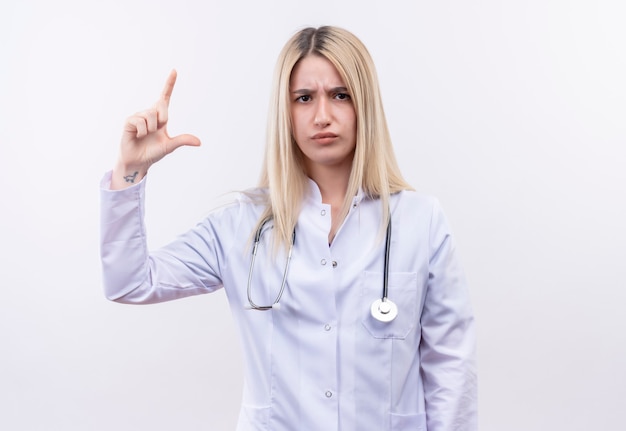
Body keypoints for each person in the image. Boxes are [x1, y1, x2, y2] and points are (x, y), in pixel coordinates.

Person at [100, 26, 477, 430]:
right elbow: (130, 283)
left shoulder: (420, 221)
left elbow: (450, 367)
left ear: (364, 105)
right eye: (304, 98)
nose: (322, 116)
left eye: (340, 95)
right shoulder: (240, 225)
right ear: (286, 111)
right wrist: (130, 171)